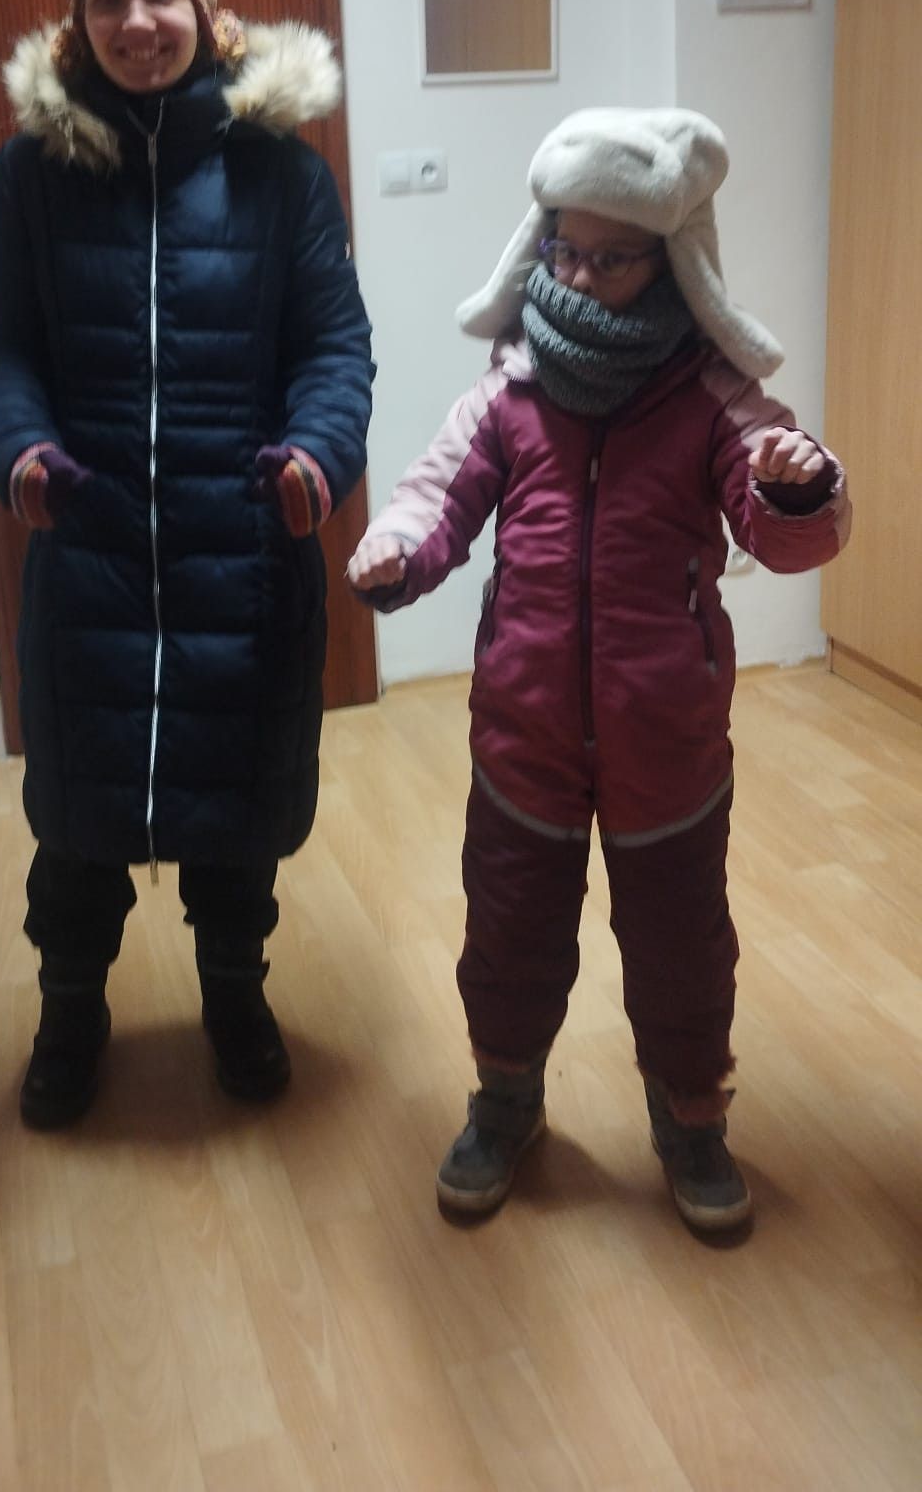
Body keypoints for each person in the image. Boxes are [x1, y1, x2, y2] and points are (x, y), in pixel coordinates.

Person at [347, 107, 850, 1230]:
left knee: (680, 944)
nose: (578, 275)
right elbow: (436, 494)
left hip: (667, 738)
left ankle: (692, 1117)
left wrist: (798, 485)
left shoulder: (713, 396)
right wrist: (399, 550)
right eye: (563, 250)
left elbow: (786, 535)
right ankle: (505, 1099)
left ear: (670, 262)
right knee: (509, 925)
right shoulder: (510, 388)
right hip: (522, 730)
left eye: (610, 259)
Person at [0, 0, 373, 1128]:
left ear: (204, 7)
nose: (138, 22)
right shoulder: (30, 176)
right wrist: (19, 450)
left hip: (238, 547)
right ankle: (70, 1011)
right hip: (86, 546)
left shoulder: (283, 173)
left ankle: (235, 996)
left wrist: (317, 456)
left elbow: (333, 347)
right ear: (79, 21)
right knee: (75, 830)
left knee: (233, 821)